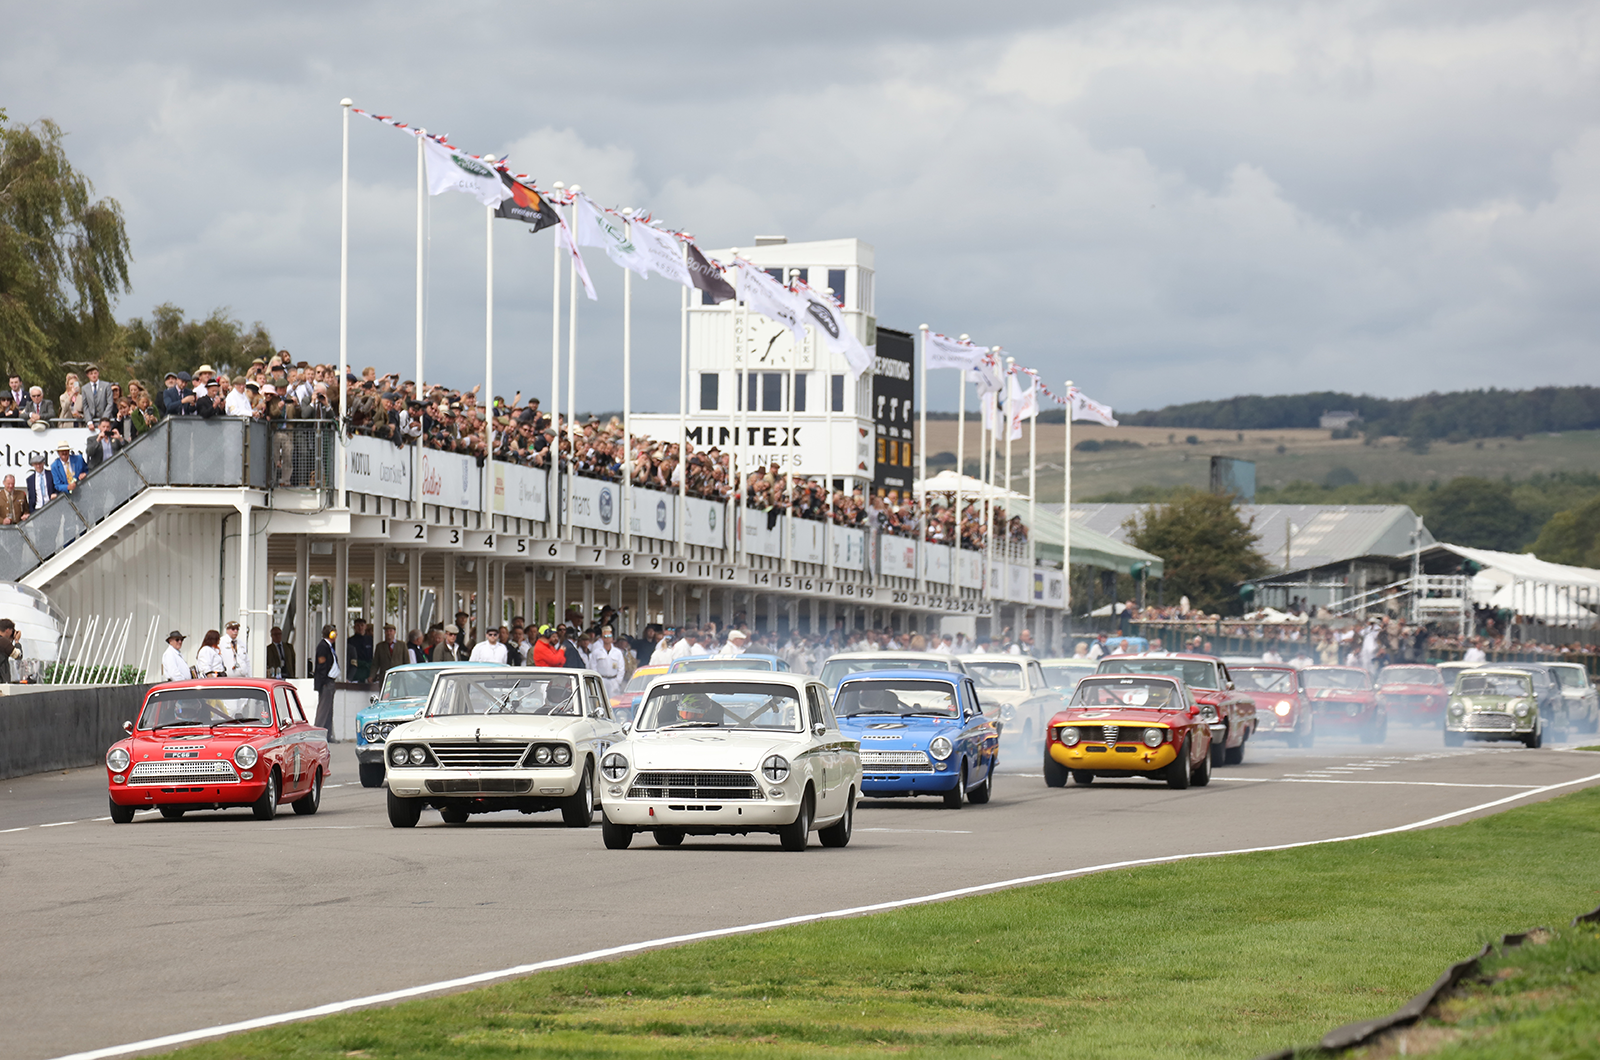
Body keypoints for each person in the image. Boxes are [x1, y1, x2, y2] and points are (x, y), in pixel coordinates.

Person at [313, 623, 340, 739]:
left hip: (330, 681)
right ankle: (317, 733)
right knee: (323, 709)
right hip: (326, 682)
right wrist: (324, 681)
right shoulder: (323, 646)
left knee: (329, 710)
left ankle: (328, 734)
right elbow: (322, 665)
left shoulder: (328, 646)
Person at [591, 626, 626, 702]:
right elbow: (593, 668)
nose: (607, 638)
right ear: (602, 638)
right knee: (601, 701)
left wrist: (618, 682)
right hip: (601, 680)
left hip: (614, 680)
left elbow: (621, 669)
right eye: (605, 636)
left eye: (609, 636)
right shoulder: (596, 652)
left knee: (614, 702)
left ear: (612, 638)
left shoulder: (617, 652)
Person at [347, 617, 373, 682]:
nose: (360, 628)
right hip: (356, 670)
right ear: (354, 627)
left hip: (368, 670)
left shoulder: (370, 640)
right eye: (358, 626)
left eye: (362, 625)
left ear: (365, 627)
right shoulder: (350, 641)